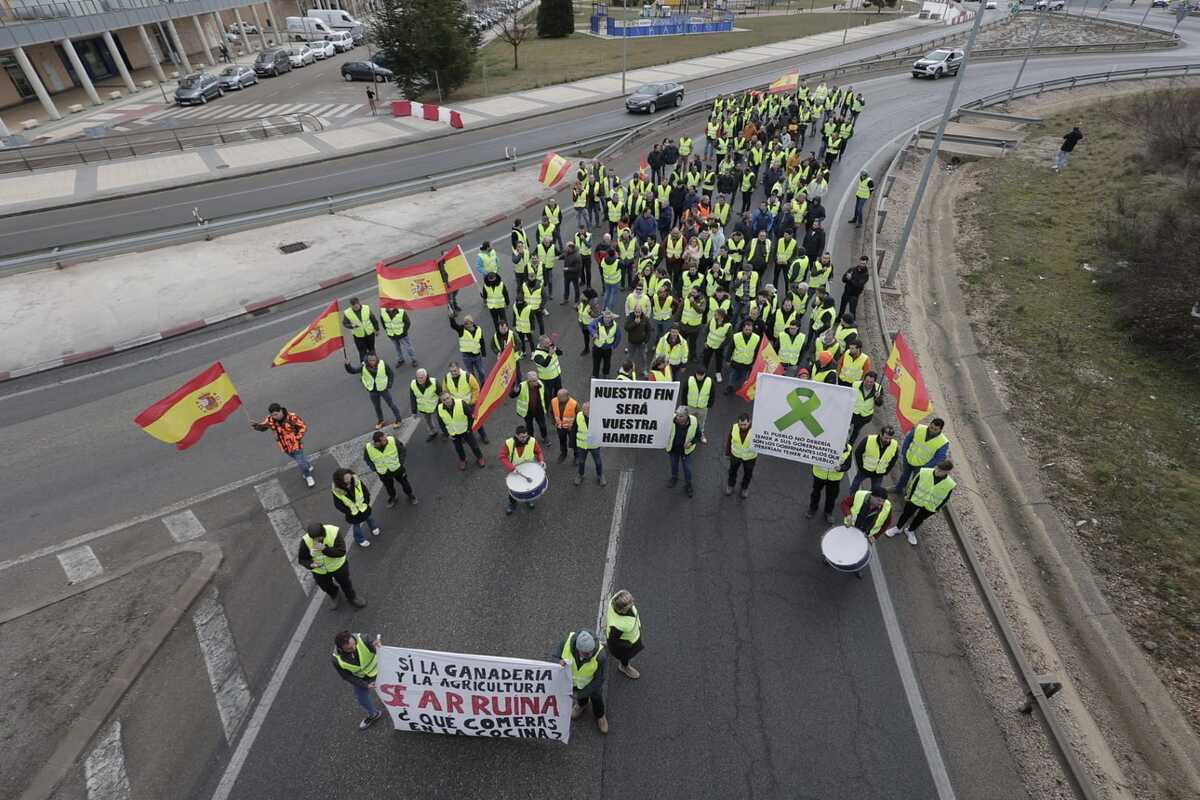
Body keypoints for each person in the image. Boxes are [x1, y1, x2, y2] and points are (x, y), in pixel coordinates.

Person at [886, 461, 956, 546]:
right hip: (915, 500)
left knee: (919, 519)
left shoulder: (950, 484)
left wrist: (937, 508)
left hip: (930, 506)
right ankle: (898, 528)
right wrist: (909, 497)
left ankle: (910, 531)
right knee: (905, 514)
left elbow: (946, 497)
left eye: (941, 471)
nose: (937, 471)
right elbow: (913, 485)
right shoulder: (924, 472)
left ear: (947, 472)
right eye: (937, 468)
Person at [299, 523, 365, 609]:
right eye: (314, 539)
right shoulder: (305, 541)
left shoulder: (333, 532)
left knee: (345, 583)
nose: (316, 540)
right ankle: (334, 594)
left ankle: (352, 597)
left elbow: (341, 552)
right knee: (325, 586)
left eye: (319, 538)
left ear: (323, 533)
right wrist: (311, 564)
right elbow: (302, 559)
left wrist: (325, 549)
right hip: (320, 571)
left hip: (338, 566)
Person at [556, 629, 609, 734]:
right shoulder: (566, 642)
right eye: (586, 653)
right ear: (577, 648)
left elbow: (599, 680)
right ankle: (582, 705)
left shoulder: (600, 656)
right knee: (581, 697)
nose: (590, 655)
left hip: (592, 684)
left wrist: (580, 694)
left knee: (597, 699)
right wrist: (559, 661)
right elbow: (557, 655)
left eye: (591, 651)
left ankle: (600, 715)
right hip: (575, 682)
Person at [250, 403, 315, 487]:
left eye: (276, 414)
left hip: (296, 445)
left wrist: (297, 437)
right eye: (273, 415)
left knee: (301, 463)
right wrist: (256, 426)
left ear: (280, 411)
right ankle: (308, 465)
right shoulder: (270, 419)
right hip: (284, 447)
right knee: (299, 459)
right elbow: (264, 427)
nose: (274, 417)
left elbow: (303, 427)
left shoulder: (292, 417)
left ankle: (308, 476)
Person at [332, 631, 383, 730]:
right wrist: (365, 685)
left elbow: (378, 650)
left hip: (379, 670)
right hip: (362, 679)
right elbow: (347, 677)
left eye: (354, 644)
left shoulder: (364, 639)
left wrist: (378, 647)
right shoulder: (336, 660)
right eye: (349, 649)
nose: (354, 648)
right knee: (361, 698)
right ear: (340, 649)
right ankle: (373, 714)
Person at [344, 353, 403, 430]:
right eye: (370, 360)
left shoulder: (383, 364)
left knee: (391, 404)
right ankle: (381, 420)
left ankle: (398, 419)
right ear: (367, 360)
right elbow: (353, 371)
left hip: (383, 389)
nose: (372, 362)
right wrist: (348, 365)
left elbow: (390, 374)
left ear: (377, 359)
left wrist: (389, 384)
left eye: (374, 360)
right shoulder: (363, 366)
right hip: (372, 390)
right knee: (377, 407)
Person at [893, 417, 951, 495]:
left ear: (940, 430)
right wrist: (904, 452)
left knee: (915, 481)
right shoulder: (919, 428)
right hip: (908, 458)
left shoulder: (943, 442)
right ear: (930, 424)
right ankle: (898, 489)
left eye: (935, 429)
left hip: (922, 465)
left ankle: (909, 495)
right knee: (904, 475)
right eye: (931, 427)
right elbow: (908, 439)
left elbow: (939, 458)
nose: (932, 430)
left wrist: (926, 467)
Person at [363, 430, 418, 507]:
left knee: (405, 483)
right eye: (384, 440)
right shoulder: (368, 448)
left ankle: (410, 495)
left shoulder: (392, 440)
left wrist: (400, 462)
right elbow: (367, 459)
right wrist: (374, 468)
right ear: (377, 443)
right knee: (389, 487)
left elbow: (402, 450)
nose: (386, 440)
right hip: (383, 473)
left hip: (397, 469)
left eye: (385, 437)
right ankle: (393, 497)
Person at [499, 424, 546, 514]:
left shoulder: (532, 441)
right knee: (514, 489)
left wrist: (541, 461)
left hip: (529, 469)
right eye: (521, 437)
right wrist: (511, 468)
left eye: (525, 436)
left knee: (528, 487)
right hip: (514, 470)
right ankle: (512, 503)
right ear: (516, 435)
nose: (524, 439)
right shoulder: (509, 443)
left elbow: (538, 451)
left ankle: (528, 499)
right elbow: (502, 456)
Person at [330, 468, 380, 547]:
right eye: (346, 479)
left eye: (349, 477)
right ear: (340, 481)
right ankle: (360, 539)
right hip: (353, 513)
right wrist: (348, 511)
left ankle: (373, 528)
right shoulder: (337, 492)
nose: (349, 479)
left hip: (363, 507)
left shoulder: (356, 481)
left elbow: (365, 491)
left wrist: (366, 501)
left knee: (369, 518)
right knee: (356, 527)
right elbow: (338, 505)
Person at [436, 392, 485, 470]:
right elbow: (441, 423)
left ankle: (480, 457)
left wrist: (469, 428)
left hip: (465, 430)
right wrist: (447, 434)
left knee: (473, 445)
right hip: (453, 432)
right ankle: (463, 460)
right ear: (441, 401)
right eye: (444, 400)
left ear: (451, 397)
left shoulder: (461, 403)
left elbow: (470, 416)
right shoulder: (439, 408)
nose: (447, 401)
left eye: (448, 398)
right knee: (458, 448)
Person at [808, 442, 852, 523]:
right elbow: (810, 454)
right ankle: (812, 509)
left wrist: (841, 468)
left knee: (831, 497)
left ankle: (828, 513)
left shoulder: (848, 448)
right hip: (819, 474)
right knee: (815, 493)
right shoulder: (823, 441)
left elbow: (848, 464)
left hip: (834, 478)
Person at [850, 425, 899, 495]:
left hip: (879, 473)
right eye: (886, 438)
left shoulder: (894, 445)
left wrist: (887, 471)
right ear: (880, 434)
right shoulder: (868, 440)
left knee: (875, 491)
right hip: (864, 470)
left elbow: (894, 459)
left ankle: (870, 501)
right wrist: (861, 467)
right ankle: (851, 497)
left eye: (890, 438)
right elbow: (858, 453)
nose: (888, 440)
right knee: (855, 485)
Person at [605, 590, 643, 679]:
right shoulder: (619, 625)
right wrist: (612, 646)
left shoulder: (614, 601)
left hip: (616, 635)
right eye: (630, 604)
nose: (633, 603)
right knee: (625, 655)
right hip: (625, 643)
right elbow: (613, 639)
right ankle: (624, 667)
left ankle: (607, 644)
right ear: (622, 610)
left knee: (610, 641)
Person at [665, 406, 699, 497]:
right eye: (677, 415)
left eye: (681, 416)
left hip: (686, 451)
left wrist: (691, 443)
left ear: (686, 416)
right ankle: (674, 477)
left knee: (687, 469)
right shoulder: (671, 419)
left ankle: (688, 484)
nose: (678, 418)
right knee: (673, 465)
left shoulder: (694, 421)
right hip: (673, 449)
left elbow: (698, 435)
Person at [447, 309, 488, 384]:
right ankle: (475, 385)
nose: (467, 325)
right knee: (471, 374)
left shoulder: (479, 329)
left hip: (477, 355)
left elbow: (482, 341)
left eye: (468, 323)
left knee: (481, 372)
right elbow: (454, 325)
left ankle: (483, 384)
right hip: (466, 356)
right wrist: (451, 317)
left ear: (472, 323)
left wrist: (484, 353)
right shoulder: (461, 330)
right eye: (465, 324)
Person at [571, 400, 606, 486]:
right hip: (582, 445)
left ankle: (600, 475)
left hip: (594, 445)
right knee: (581, 462)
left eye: (588, 409)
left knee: (598, 462)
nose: (586, 411)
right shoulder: (579, 416)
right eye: (585, 409)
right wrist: (572, 443)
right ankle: (580, 475)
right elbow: (574, 430)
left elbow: (604, 429)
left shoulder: (598, 416)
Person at [510, 370, 549, 443]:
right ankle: (531, 439)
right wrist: (515, 391)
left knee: (542, 425)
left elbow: (546, 396)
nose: (536, 382)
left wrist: (546, 408)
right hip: (527, 411)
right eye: (533, 381)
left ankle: (545, 437)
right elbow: (511, 395)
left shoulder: (540, 384)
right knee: (529, 426)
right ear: (528, 381)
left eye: (536, 380)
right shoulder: (521, 386)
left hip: (538, 410)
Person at [725, 413, 757, 498]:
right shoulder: (734, 427)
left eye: (745, 424)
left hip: (750, 457)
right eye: (741, 424)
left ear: (749, 422)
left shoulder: (756, 429)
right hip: (736, 455)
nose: (743, 426)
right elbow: (729, 439)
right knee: (732, 471)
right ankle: (730, 485)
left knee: (748, 474)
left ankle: (744, 488)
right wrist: (727, 453)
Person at [848, 371, 885, 443]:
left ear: (874, 382)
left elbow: (879, 404)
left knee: (856, 430)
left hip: (865, 416)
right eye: (867, 381)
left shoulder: (879, 388)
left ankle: (851, 443)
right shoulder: (855, 384)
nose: (868, 384)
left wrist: (878, 398)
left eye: (871, 382)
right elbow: (848, 396)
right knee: (846, 427)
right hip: (853, 412)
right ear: (864, 379)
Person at [726, 319, 761, 394]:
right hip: (736, 361)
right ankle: (730, 387)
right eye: (746, 329)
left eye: (750, 329)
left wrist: (755, 362)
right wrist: (728, 359)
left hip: (747, 362)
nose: (748, 331)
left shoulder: (756, 338)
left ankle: (741, 389)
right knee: (732, 375)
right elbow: (730, 349)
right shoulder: (736, 336)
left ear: (752, 329)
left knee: (743, 377)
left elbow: (757, 351)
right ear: (743, 328)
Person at [409, 368, 441, 442]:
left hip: (435, 406)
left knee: (441, 420)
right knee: (428, 422)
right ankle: (433, 432)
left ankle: (445, 432)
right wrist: (414, 412)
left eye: (422, 377)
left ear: (426, 376)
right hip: (423, 408)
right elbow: (412, 398)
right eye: (418, 377)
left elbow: (441, 394)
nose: (420, 379)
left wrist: (442, 406)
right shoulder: (413, 384)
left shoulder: (434, 382)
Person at [686, 364, 715, 444]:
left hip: (703, 407)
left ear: (704, 374)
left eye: (701, 375)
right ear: (695, 373)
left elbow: (712, 394)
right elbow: (684, 391)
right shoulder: (690, 380)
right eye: (698, 375)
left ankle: (701, 434)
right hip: (691, 406)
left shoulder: (709, 381)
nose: (700, 377)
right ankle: (689, 435)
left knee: (701, 422)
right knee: (689, 421)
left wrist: (709, 404)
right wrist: (684, 403)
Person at [589, 310, 621, 378]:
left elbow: (618, 336)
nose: (607, 319)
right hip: (598, 347)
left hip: (608, 348)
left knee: (607, 362)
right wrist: (594, 333)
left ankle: (605, 374)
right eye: (605, 317)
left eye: (609, 317)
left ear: (611, 318)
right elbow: (590, 326)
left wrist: (614, 346)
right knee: (596, 362)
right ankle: (595, 375)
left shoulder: (615, 325)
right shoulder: (597, 322)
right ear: (603, 317)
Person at [531, 336, 564, 400]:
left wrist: (556, 349)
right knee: (547, 395)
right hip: (547, 379)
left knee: (558, 392)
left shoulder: (550, 347)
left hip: (557, 375)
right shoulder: (537, 355)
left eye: (549, 342)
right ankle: (548, 406)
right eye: (547, 343)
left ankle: (556, 403)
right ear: (541, 344)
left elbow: (560, 353)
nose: (549, 344)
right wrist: (550, 355)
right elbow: (544, 364)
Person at [550, 388, 578, 462]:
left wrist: (574, 426)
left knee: (574, 442)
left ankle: (576, 456)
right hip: (560, 426)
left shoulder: (574, 404)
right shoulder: (554, 401)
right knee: (562, 441)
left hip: (571, 427)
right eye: (558, 397)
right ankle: (563, 453)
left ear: (567, 396)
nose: (558, 399)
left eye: (560, 397)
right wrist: (553, 421)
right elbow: (551, 412)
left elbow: (579, 416)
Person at [624, 307, 652, 373]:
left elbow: (649, 330)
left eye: (639, 312)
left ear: (641, 312)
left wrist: (646, 341)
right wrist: (634, 323)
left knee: (643, 357)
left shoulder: (645, 319)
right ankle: (628, 369)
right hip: (632, 342)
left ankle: (644, 370)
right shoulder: (630, 317)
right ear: (634, 311)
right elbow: (626, 328)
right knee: (630, 357)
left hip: (641, 343)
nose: (637, 314)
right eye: (636, 312)